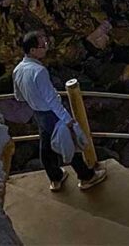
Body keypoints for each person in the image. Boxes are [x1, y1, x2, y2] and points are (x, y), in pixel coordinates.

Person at [13, 31, 107, 192]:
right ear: (33, 50)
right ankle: (86, 177)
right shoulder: (39, 71)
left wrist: (34, 99)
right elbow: (52, 99)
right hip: (51, 114)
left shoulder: (18, 70)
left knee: (46, 147)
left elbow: (19, 96)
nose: (46, 47)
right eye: (43, 45)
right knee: (70, 143)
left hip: (38, 114)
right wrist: (67, 119)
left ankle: (55, 178)